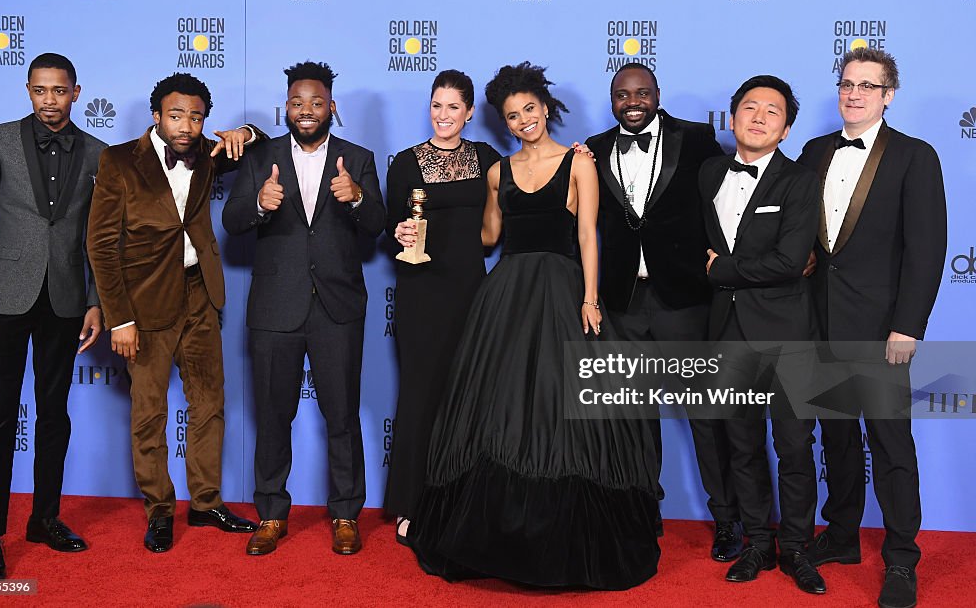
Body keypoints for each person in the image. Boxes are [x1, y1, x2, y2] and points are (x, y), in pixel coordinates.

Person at [409, 62, 660, 589]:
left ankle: (563, 532)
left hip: (562, 291)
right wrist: (422, 227)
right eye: (512, 115)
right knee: (499, 410)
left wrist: (591, 299)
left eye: (529, 109)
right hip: (504, 298)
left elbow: (589, 235)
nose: (523, 120)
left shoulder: (578, 163)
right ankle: (489, 534)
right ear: (501, 123)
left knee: (560, 406)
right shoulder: (497, 172)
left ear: (545, 108)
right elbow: (486, 239)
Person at [87, 73, 260, 553]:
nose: (187, 125)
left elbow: (261, 141)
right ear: (157, 116)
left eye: (197, 116)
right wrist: (119, 318)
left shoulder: (206, 152)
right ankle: (160, 510)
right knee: (149, 413)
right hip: (143, 307)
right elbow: (100, 246)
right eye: (177, 115)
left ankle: (206, 503)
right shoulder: (119, 160)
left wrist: (244, 133)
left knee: (209, 403)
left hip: (200, 295)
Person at [798, 47, 947, 608]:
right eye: (846, 83)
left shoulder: (915, 156)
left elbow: (927, 248)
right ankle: (840, 536)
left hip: (883, 327)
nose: (853, 93)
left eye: (866, 85)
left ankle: (902, 559)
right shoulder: (814, 151)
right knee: (835, 439)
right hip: (819, 322)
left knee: (888, 443)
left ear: (888, 95)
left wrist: (908, 325)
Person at [222, 61, 385, 557]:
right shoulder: (260, 155)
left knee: (342, 416)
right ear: (286, 107)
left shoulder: (357, 158)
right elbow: (231, 222)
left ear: (331, 107)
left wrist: (356, 199)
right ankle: (270, 514)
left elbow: (378, 223)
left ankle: (344, 515)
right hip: (276, 309)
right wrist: (259, 204)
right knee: (273, 416)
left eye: (317, 102)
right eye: (298, 103)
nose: (307, 111)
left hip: (338, 307)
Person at [584, 63, 738, 559]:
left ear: (657, 95)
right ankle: (643, 508)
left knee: (705, 414)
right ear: (612, 100)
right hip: (624, 303)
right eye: (622, 94)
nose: (633, 101)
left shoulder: (695, 140)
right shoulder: (594, 148)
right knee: (633, 415)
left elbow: (728, 201)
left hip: (685, 299)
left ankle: (728, 517)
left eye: (642, 93)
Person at [0, 53, 105, 580]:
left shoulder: (97, 152)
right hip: (4, 297)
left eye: (60, 91)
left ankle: (44, 517)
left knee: (54, 414)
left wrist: (95, 300)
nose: (51, 100)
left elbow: (97, 237)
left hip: (66, 299)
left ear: (76, 91)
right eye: (41, 90)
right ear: (28, 91)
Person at [698, 75, 825, 593]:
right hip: (726, 332)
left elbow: (791, 261)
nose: (757, 117)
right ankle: (755, 543)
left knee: (794, 445)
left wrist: (721, 270)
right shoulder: (708, 173)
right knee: (741, 444)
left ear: (787, 128)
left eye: (771, 112)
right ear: (731, 120)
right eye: (748, 108)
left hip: (787, 333)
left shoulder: (799, 181)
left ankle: (795, 547)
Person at [383, 70, 500, 544]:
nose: (444, 115)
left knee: (469, 399)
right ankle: (411, 504)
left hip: (472, 291)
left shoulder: (489, 159)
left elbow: (523, 194)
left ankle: (464, 500)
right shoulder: (406, 164)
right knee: (419, 395)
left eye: (454, 107)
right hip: (421, 291)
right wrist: (400, 231)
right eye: (437, 105)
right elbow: (391, 224)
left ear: (470, 112)